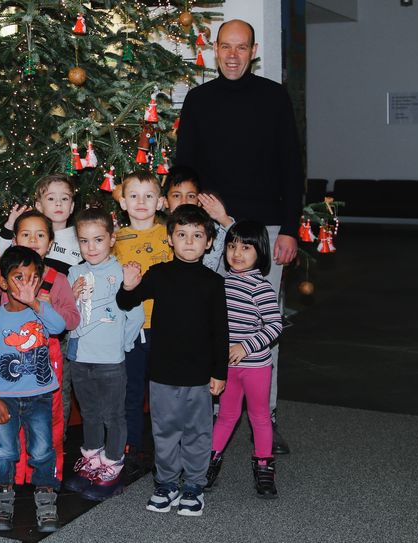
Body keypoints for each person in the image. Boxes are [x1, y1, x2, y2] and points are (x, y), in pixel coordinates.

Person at [174, 19, 303, 454]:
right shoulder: (197, 100)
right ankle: (213, 417)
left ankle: (265, 416)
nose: (232, 55)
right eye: (225, 47)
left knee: (263, 326)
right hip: (210, 233)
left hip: (264, 231)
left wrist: (288, 228)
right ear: (214, 49)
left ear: (253, 51)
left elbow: (292, 167)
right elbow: (184, 166)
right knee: (212, 322)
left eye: (241, 47)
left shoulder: (273, 97)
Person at [116, 205, 228, 517]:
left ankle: (193, 485)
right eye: (182, 234)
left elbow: (221, 331)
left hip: (199, 374)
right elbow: (126, 301)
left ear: (207, 242)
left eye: (197, 235)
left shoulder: (213, 282)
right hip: (163, 372)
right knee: (164, 430)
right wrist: (129, 283)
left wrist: (220, 372)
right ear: (170, 239)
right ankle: (165, 484)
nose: (189, 241)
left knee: (196, 432)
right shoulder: (159, 275)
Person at [0, 210, 80, 486]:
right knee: (8, 424)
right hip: (9, 361)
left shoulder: (57, 278)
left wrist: (44, 306)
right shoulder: (10, 273)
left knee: (47, 424)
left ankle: (44, 479)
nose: (33, 240)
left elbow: (70, 319)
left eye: (40, 235)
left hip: (45, 360)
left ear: (50, 242)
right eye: (25, 234)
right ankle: (8, 479)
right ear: (15, 239)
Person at [0, 246, 66, 533]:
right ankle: (3, 500)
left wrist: (38, 304)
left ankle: (46, 502)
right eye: (19, 277)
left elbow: (59, 326)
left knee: (42, 450)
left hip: (40, 396)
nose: (26, 284)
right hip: (5, 397)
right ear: (3, 282)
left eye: (33, 278)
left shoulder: (42, 311)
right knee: (5, 451)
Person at [64, 208, 144, 501]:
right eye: (84, 241)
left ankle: (112, 463)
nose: (91, 247)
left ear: (111, 239)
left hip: (110, 359)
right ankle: (92, 460)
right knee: (90, 413)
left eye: (98, 240)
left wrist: (122, 345)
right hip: (81, 357)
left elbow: (135, 315)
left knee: (113, 414)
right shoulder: (75, 272)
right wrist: (70, 296)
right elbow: (67, 316)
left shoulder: (123, 273)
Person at [207, 221, 283, 499]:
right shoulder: (221, 283)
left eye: (246, 247)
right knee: (226, 416)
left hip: (255, 367)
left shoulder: (259, 288)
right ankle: (210, 461)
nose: (237, 253)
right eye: (231, 246)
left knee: (259, 416)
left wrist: (246, 346)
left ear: (259, 252)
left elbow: (274, 326)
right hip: (227, 366)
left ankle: (264, 466)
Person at [112, 170, 171, 467]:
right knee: (131, 392)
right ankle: (131, 446)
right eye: (133, 196)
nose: (141, 202)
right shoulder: (115, 240)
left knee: (164, 393)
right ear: (123, 202)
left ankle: (167, 448)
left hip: (164, 328)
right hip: (129, 329)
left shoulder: (171, 236)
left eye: (149, 196)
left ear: (160, 202)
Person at [0, 174, 82, 275]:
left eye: (64, 199)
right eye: (51, 198)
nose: (58, 203)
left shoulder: (80, 240)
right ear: (39, 206)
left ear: (71, 207)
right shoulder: (27, 236)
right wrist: (10, 225)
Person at [164, 168, 235, 275]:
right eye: (176, 196)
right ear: (166, 202)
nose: (184, 201)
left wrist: (223, 219)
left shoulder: (213, 229)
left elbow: (244, 245)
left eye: (191, 196)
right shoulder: (159, 230)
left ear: (198, 202)